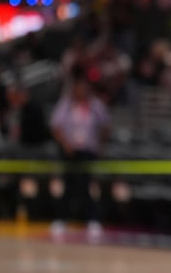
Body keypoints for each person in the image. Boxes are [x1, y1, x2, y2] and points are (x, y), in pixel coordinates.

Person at [49, 65, 111, 242]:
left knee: (87, 187)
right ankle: (61, 219)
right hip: (69, 152)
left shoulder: (95, 106)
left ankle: (92, 220)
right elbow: (56, 126)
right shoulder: (66, 104)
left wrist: (100, 143)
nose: (82, 90)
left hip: (88, 151)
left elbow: (106, 125)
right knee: (67, 186)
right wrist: (65, 144)